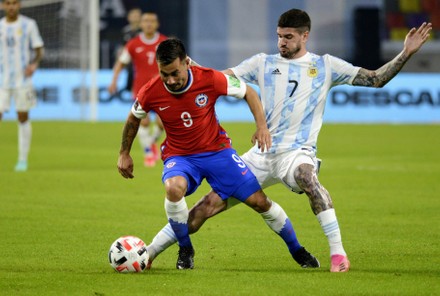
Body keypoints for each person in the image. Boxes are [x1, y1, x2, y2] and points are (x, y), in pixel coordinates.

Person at [145, 9, 432, 272]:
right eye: (279, 36)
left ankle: (338, 254)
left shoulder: (326, 66)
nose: (282, 42)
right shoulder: (262, 63)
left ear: (305, 36)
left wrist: (405, 53)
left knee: (308, 177)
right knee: (204, 208)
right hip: (260, 154)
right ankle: (148, 253)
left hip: (297, 152)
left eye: (289, 37)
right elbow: (218, 79)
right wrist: (191, 67)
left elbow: (375, 79)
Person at [117, 38, 319, 270]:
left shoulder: (209, 78)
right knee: (173, 188)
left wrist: (261, 127)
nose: (170, 80)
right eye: (165, 74)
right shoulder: (151, 90)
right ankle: (185, 248)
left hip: (217, 152)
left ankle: (297, 250)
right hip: (180, 157)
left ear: (186, 63)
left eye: (175, 73)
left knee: (260, 202)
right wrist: (124, 152)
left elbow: (249, 92)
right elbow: (134, 118)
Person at [109, 12, 167, 167]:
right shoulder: (133, 44)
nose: (149, 24)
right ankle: (148, 153)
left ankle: (151, 143)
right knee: (144, 121)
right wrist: (114, 81)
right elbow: (121, 63)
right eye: (146, 21)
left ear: (157, 24)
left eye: (152, 21)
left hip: (162, 89)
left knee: (162, 124)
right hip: (140, 89)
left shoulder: (164, 43)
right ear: (141, 24)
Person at [0, 0, 44, 172]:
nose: (11, 6)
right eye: (8, 3)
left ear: (19, 5)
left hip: (22, 81)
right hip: (2, 80)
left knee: (22, 117)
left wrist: (34, 64)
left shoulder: (29, 24)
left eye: (15, 3)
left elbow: (39, 48)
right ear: (3, 5)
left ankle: (22, 160)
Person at [121, 7, 142, 92]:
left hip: (142, 62)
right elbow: (123, 47)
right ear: (128, 17)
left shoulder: (145, 31)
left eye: (137, 15)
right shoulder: (126, 31)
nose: (135, 17)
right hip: (130, 63)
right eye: (133, 15)